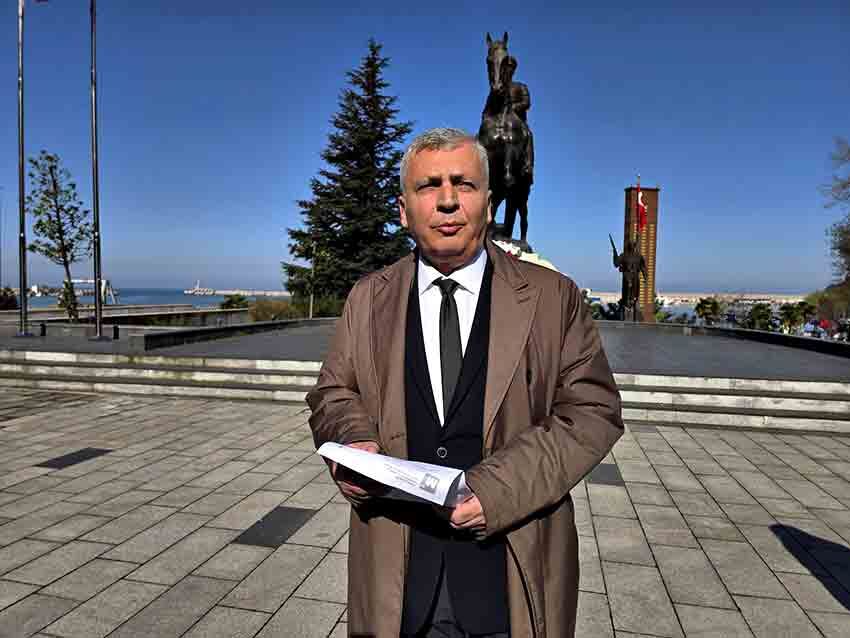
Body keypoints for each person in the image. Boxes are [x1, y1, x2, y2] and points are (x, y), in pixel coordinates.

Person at [307, 127, 623, 637]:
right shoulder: (366, 298)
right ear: (404, 210)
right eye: (429, 185)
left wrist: (497, 491)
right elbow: (333, 391)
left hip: (509, 575)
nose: (448, 200)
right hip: (397, 582)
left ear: (489, 204)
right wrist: (353, 440)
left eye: (464, 184)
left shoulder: (553, 297)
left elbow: (592, 411)